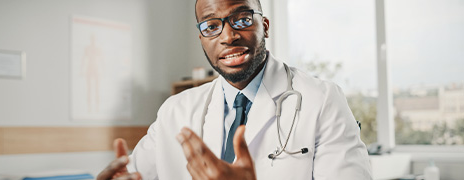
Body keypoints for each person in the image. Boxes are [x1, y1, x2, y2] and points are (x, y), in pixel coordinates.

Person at [97, 0, 372, 179]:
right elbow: (133, 173)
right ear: (202, 39)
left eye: (242, 19)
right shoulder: (175, 111)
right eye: (211, 26)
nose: (228, 36)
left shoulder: (321, 100)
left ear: (264, 26)